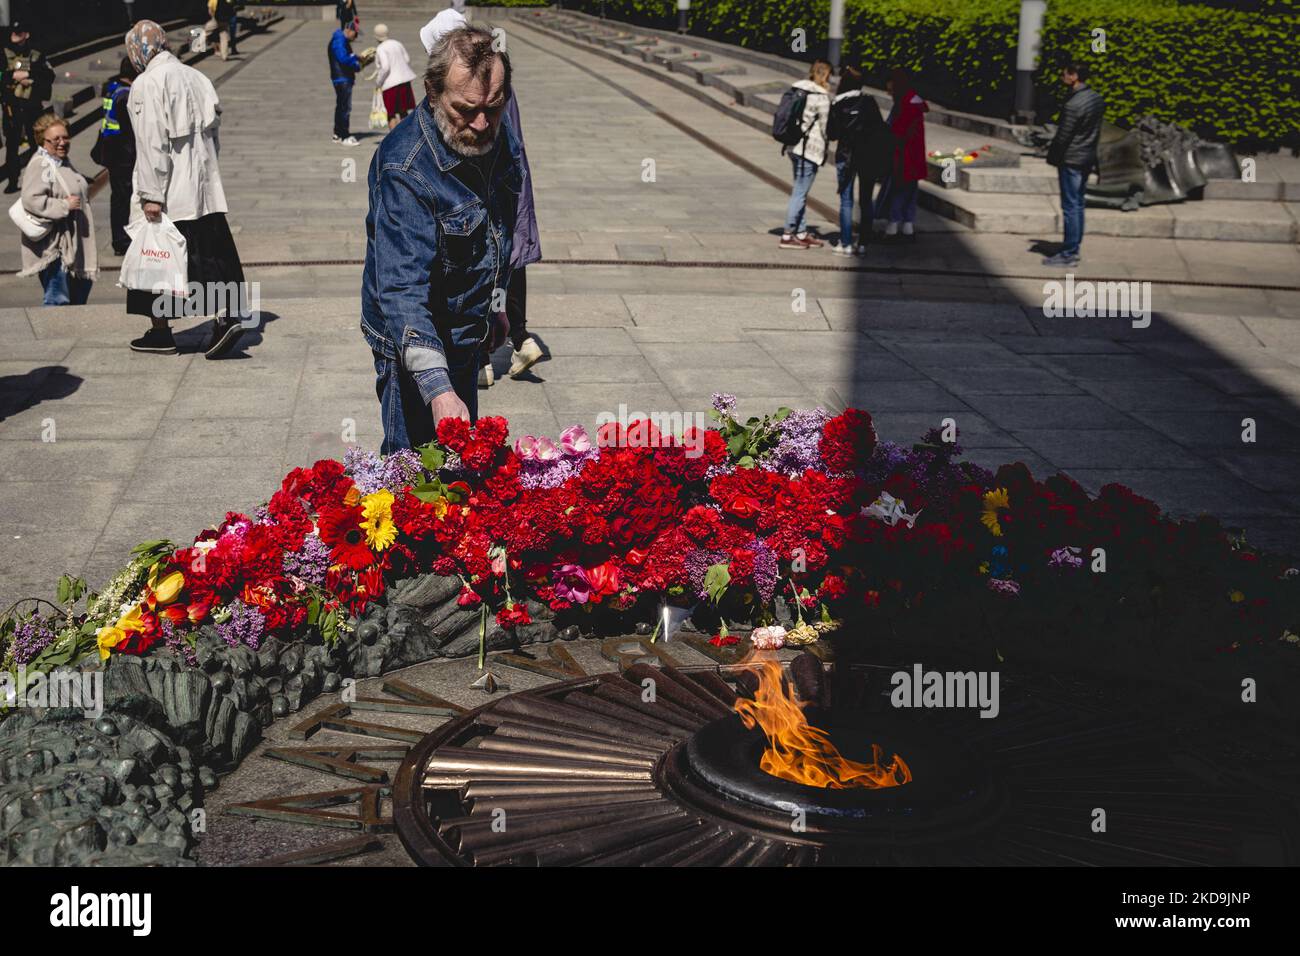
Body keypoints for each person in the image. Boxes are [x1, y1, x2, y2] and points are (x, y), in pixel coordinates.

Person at [361, 25, 523, 454]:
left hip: (467, 326)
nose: (482, 123)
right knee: (412, 474)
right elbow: (401, 288)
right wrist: (437, 388)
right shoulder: (405, 168)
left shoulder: (495, 135)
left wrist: (495, 304)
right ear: (432, 92)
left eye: (494, 105)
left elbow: (500, 231)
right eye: (465, 110)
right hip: (412, 341)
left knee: (456, 465)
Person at [123, 20, 248, 358]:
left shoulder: (147, 83)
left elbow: (151, 143)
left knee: (159, 260)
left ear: (138, 50)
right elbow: (215, 136)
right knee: (211, 254)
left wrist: (151, 194)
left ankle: (161, 332)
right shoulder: (197, 77)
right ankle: (226, 317)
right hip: (205, 186)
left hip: (170, 190)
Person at [17, 113, 96, 305]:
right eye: (56, 139)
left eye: (65, 137)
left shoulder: (61, 162)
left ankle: (72, 333)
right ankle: (55, 334)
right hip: (55, 248)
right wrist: (63, 206)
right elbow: (31, 198)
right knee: (57, 299)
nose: (62, 143)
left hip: (71, 244)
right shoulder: (42, 164)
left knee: (77, 296)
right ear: (43, 141)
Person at [1043, 62, 1104, 266]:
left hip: (1071, 159)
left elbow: (1063, 137)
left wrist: (1052, 157)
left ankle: (1069, 253)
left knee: (1070, 206)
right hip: (1087, 157)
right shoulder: (1096, 99)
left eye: (1065, 73)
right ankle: (1073, 246)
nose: (1063, 76)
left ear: (1074, 76)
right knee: (1078, 204)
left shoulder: (1073, 104)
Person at [826, 64, 889, 257]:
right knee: (866, 201)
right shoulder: (869, 102)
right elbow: (880, 130)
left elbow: (832, 134)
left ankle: (845, 243)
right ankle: (863, 244)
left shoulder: (837, 103)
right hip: (867, 156)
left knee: (846, 201)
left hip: (846, 156)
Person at [778, 59, 831, 250]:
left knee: (800, 190)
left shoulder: (797, 89)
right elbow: (826, 128)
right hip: (810, 150)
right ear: (826, 75)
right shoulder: (821, 96)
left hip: (793, 145)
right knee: (800, 193)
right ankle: (787, 236)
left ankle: (800, 232)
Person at [91, 57, 138, 255]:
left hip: (112, 152)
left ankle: (120, 239)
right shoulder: (126, 95)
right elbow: (132, 129)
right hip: (123, 154)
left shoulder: (113, 89)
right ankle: (121, 240)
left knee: (118, 198)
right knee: (122, 198)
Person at [2, 22, 55, 194]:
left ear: (26, 34)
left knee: (36, 144)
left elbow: (48, 74)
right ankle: (12, 180)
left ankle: (38, 179)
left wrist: (29, 75)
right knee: (12, 146)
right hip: (12, 106)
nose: (15, 37)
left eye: (19, 33)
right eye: (13, 33)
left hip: (32, 105)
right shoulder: (3, 54)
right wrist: (12, 76)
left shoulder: (36, 54)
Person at [877, 68, 927, 239]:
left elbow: (895, 131)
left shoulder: (903, 105)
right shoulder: (914, 103)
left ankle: (893, 226)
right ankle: (908, 226)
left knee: (896, 191)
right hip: (914, 157)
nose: (888, 93)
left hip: (902, 156)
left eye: (890, 90)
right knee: (910, 191)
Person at [372, 24, 415, 129]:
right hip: (404, 81)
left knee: (391, 114)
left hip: (390, 85)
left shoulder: (380, 48)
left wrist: (378, 82)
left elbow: (385, 67)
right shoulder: (397, 43)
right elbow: (407, 59)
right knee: (403, 111)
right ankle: (408, 136)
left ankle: (394, 140)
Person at [329, 21, 364, 146]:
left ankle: (337, 133)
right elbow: (343, 58)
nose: (356, 38)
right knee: (345, 107)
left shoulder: (341, 40)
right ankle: (344, 136)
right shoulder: (339, 41)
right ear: (349, 30)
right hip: (342, 78)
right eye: (355, 35)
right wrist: (355, 58)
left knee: (340, 106)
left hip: (340, 78)